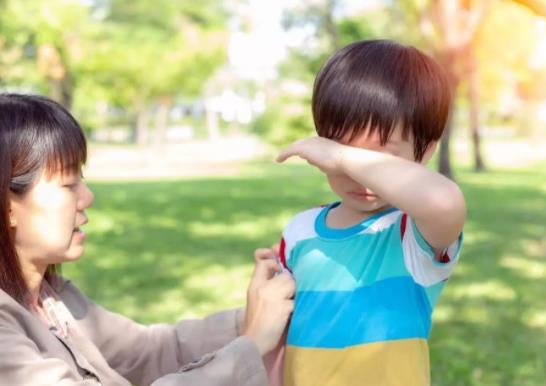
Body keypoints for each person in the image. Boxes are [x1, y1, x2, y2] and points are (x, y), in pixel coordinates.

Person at [0, 93, 295, 386]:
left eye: (83, 180)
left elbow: (150, 351)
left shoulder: (52, 299)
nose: (87, 198)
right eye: (68, 185)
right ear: (8, 206)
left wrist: (258, 316)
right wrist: (251, 346)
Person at [274, 40, 466, 386]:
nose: (355, 174)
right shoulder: (300, 231)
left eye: (378, 160)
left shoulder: (413, 234)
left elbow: (445, 202)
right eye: (342, 148)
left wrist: (342, 157)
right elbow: (278, 333)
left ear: (425, 153)